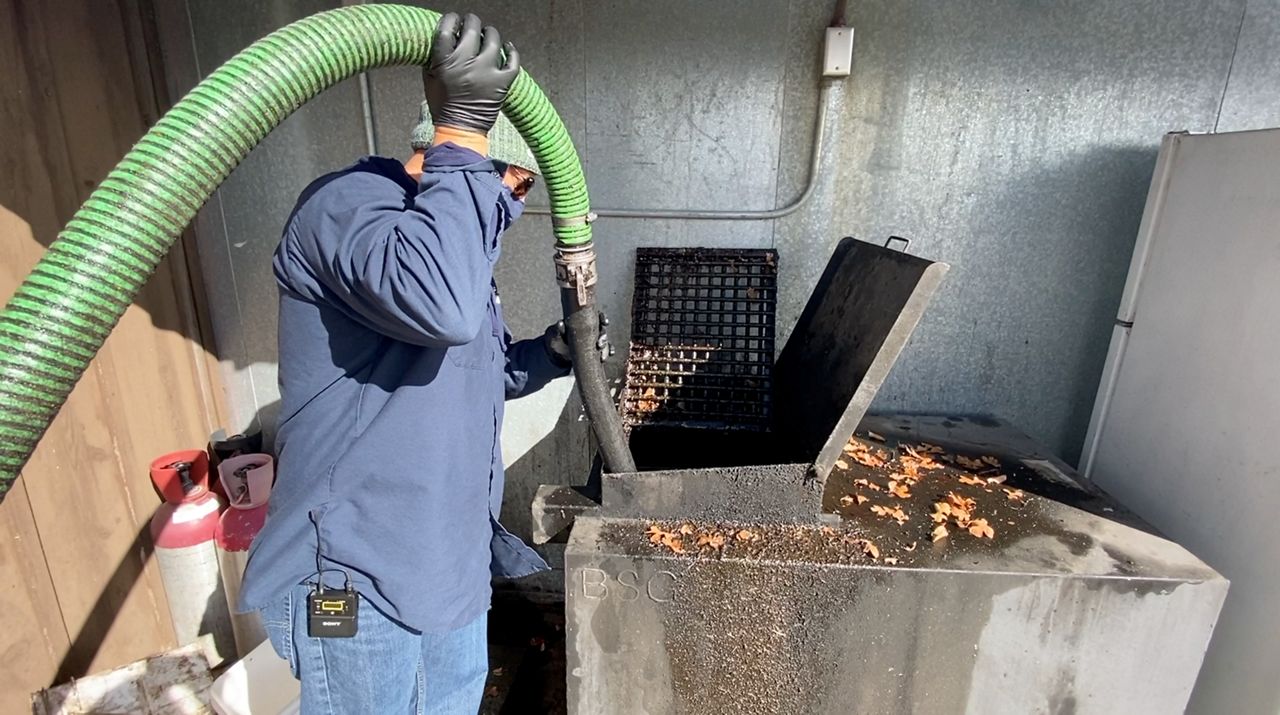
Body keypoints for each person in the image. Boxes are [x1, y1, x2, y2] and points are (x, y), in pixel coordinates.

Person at [238, 13, 601, 713]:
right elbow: (442, 308)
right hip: (358, 579)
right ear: (481, 169)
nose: (514, 209)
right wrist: (463, 130)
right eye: (518, 189)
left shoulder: (450, 244)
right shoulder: (349, 207)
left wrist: (550, 354)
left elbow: (470, 372)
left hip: (449, 568)